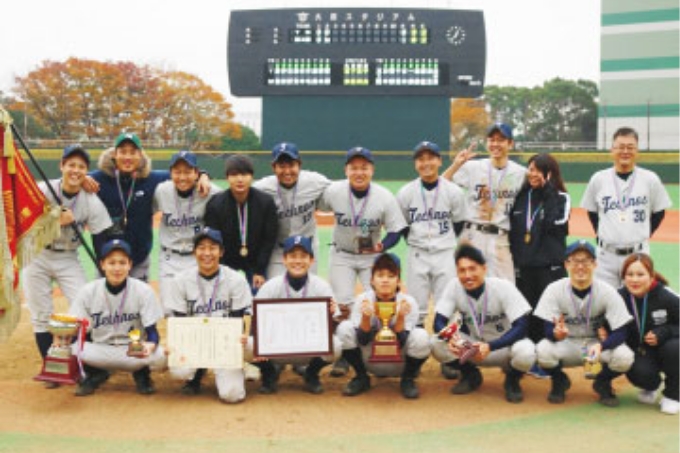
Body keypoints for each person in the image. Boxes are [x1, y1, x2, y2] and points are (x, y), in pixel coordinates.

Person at [22, 144, 113, 388]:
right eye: (71, 164)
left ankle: (91, 368)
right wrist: (53, 218)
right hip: (36, 254)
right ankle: (52, 368)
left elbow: (101, 236)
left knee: (85, 309)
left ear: (87, 172)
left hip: (67, 257)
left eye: (81, 166)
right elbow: (22, 220)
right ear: (61, 166)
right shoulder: (41, 189)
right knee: (41, 315)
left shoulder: (90, 201)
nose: (75, 170)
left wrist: (105, 267)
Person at [319, 147, 408, 376]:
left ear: (372, 170)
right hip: (342, 253)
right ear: (346, 170)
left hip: (371, 257)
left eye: (364, 167)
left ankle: (379, 345)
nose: (359, 172)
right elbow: (315, 204)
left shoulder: (384, 196)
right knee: (342, 303)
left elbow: (396, 230)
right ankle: (345, 357)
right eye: (354, 167)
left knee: (380, 301)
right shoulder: (334, 191)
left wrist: (383, 246)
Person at [88, 133, 211, 281]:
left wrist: (203, 175)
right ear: (115, 154)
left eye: (133, 152)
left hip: (138, 261)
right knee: (104, 303)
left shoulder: (152, 179)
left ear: (140, 155)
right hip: (107, 262)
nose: (128, 157)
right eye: (123, 152)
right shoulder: (97, 179)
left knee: (139, 302)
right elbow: (71, 177)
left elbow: (182, 173)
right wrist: (83, 178)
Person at [534, 240, 634, 407]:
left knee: (625, 357)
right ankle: (559, 381)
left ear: (594, 264)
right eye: (575, 261)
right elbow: (546, 329)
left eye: (586, 261)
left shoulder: (607, 291)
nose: (580, 266)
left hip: (596, 345)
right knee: (542, 350)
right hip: (567, 343)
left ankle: (602, 382)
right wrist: (555, 334)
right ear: (566, 264)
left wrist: (603, 345)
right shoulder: (554, 289)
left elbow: (621, 331)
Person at [431, 244, 535, 403]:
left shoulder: (502, 287)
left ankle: (512, 380)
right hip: (472, 349)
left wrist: (491, 346)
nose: (468, 275)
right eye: (462, 270)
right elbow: (438, 321)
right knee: (436, 342)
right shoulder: (454, 286)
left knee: (526, 351)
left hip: (503, 348)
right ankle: (470, 375)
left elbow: (522, 326)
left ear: (484, 269)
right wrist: (450, 338)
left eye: (473, 269)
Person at [164, 227, 252, 403]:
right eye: (202, 248)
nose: (207, 253)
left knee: (232, 395)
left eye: (212, 248)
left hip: (225, 344)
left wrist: (237, 340)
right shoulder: (180, 281)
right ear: (194, 252)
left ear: (221, 252)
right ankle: (197, 372)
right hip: (194, 341)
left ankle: (243, 371)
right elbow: (179, 322)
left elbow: (238, 320)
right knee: (178, 370)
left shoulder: (235, 279)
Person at [69, 239, 166, 397]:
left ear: (129, 265)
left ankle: (142, 374)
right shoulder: (88, 291)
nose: (117, 268)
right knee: (70, 349)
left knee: (160, 356)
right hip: (101, 349)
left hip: (133, 350)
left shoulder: (143, 290)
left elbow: (152, 332)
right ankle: (94, 374)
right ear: (102, 265)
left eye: (122, 262)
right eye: (111, 262)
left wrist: (150, 345)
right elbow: (80, 333)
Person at [248, 235, 342, 394]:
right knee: (245, 344)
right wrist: (260, 347)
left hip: (308, 349)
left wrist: (331, 315)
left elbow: (335, 324)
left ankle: (311, 374)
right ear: (284, 260)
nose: (298, 261)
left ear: (311, 260)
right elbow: (253, 318)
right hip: (275, 349)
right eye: (292, 256)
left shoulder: (321, 286)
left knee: (337, 345)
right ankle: (269, 373)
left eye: (303, 256)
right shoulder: (271, 286)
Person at [582, 127, 672, 288]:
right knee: (605, 303)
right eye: (620, 147)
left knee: (635, 303)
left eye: (630, 147)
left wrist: (642, 234)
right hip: (605, 256)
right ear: (612, 150)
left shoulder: (650, 179)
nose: (625, 151)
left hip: (638, 254)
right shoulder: (599, 179)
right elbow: (592, 212)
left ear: (637, 151)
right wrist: (601, 234)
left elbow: (659, 213)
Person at [335, 253, 430, 399]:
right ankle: (361, 377)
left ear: (398, 280)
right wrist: (366, 318)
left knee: (421, 336)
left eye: (391, 276)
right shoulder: (363, 300)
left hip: (399, 361)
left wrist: (400, 318)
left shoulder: (408, 302)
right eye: (380, 275)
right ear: (372, 280)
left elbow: (403, 341)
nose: (385, 280)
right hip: (370, 359)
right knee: (344, 328)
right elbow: (362, 340)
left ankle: (408, 379)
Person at [509, 153, 570, 377]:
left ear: (549, 172)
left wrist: (548, 192)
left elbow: (556, 224)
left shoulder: (560, 197)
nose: (532, 174)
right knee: (528, 312)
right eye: (530, 169)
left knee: (548, 313)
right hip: (524, 267)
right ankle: (532, 358)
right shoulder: (521, 196)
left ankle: (549, 360)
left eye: (537, 169)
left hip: (548, 267)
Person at [441, 123, 526, 282]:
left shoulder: (520, 173)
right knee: (466, 284)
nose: (495, 144)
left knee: (506, 288)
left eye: (501, 140)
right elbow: (442, 184)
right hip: (472, 235)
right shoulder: (473, 167)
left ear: (510, 144)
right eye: (491, 139)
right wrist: (457, 164)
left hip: (500, 238)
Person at [253, 142, 332, 277]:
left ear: (299, 165)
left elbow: (341, 191)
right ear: (273, 167)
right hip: (278, 250)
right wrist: (204, 176)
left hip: (308, 248)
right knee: (276, 292)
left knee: (309, 294)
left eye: (291, 165)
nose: (287, 171)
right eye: (281, 166)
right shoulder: (262, 188)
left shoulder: (315, 182)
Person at [153, 150, 220, 309]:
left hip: (197, 257)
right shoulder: (161, 191)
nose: (182, 177)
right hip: (169, 257)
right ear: (170, 173)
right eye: (177, 172)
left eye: (188, 171)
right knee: (169, 310)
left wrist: (206, 176)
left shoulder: (210, 192)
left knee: (199, 308)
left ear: (196, 172)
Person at [204, 154, 278, 294]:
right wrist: (221, 270)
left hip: (256, 261)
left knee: (259, 297)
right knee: (225, 298)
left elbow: (268, 240)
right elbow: (213, 240)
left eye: (244, 174)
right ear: (227, 177)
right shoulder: (216, 204)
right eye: (234, 174)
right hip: (226, 261)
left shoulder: (265, 202)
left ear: (252, 177)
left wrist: (260, 271)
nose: (239, 179)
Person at [617, 253, 678, 415]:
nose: (634, 280)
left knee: (675, 348)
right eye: (629, 275)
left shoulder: (667, 296)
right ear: (623, 277)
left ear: (651, 276)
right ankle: (651, 386)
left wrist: (664, 332)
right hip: (642, 350)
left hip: (668, 347)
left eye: (640, 274)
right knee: (637, 370)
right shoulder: (619, 297)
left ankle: (673, 394)